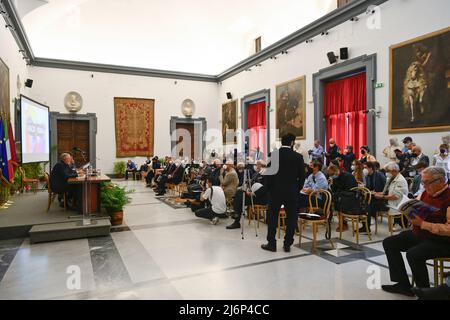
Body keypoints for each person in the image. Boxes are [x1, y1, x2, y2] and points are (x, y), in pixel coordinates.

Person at [382, 167, 450, 297]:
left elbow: (448, 230)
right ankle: (403, 285)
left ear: (441, 180)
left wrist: (422, 224)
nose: (424, 186)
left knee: (413, 254)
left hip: (442, 241)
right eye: (423, 182)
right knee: (389, 243)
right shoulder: (425, 193)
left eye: (427, 182)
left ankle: (424, 291)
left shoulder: (448, 198)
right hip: (422, 234)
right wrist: (410, 214)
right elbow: (417, 208)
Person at [262, 133, 305, 253]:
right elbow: (302, 176)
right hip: (291, 192)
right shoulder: (298, 157)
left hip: (275, 192)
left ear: (282, 142)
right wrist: (297, 189)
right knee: (291, 218)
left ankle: (272, 243)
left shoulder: (274, 155)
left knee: (272, 217)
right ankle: (287, 244)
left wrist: (270, 188)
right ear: (292, 143)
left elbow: (269, 175)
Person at [226, 160, 268, 230]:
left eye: (257, 164)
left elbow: (265, 188)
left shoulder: (266, 174)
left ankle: (236, 219)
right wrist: (248, 190)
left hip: (261, 197)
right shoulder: (256, 174)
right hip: (253, 195)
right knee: (239, 193)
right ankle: (236, 217)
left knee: (239, 198)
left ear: (261, 165)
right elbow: (250, 184)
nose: (256, 166)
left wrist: (254, 193)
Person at [373, 162, 409, 228]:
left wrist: (382, 197)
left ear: (394, 170)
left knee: (371, 206)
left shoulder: (400, 180)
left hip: (395, 204)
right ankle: (368, 221)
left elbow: (395, 196)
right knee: (370, 201)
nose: (386, 173)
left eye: (387, 171)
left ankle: (367, 223)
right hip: (389, 201)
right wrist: (376, 193)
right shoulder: (390, 179)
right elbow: (385, 192)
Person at [327, 164, 358, 232]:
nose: (331, 176)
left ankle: (344, 223)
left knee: (339, 200)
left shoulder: (348, 176)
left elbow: (350, 189)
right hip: (341, 194)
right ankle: (329, 217)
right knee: (329, 197)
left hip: (351, 196)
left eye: (331, 174)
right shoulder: (335, 178)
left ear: (336, 171)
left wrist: (338, 194)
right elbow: (334, 190)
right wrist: (332, 184)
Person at [362, 161, 387, 232]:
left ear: (371, 168)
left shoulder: (379, 175)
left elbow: (386, 188)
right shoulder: (367, 176)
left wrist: (377, 192)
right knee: (361, 203)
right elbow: (368, 188)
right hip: (372, 197)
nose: (364, 169)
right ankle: (365, 225)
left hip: (380, 198)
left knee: (367, 205)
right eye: (364, 168)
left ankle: (367, 225)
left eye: (366, 168)